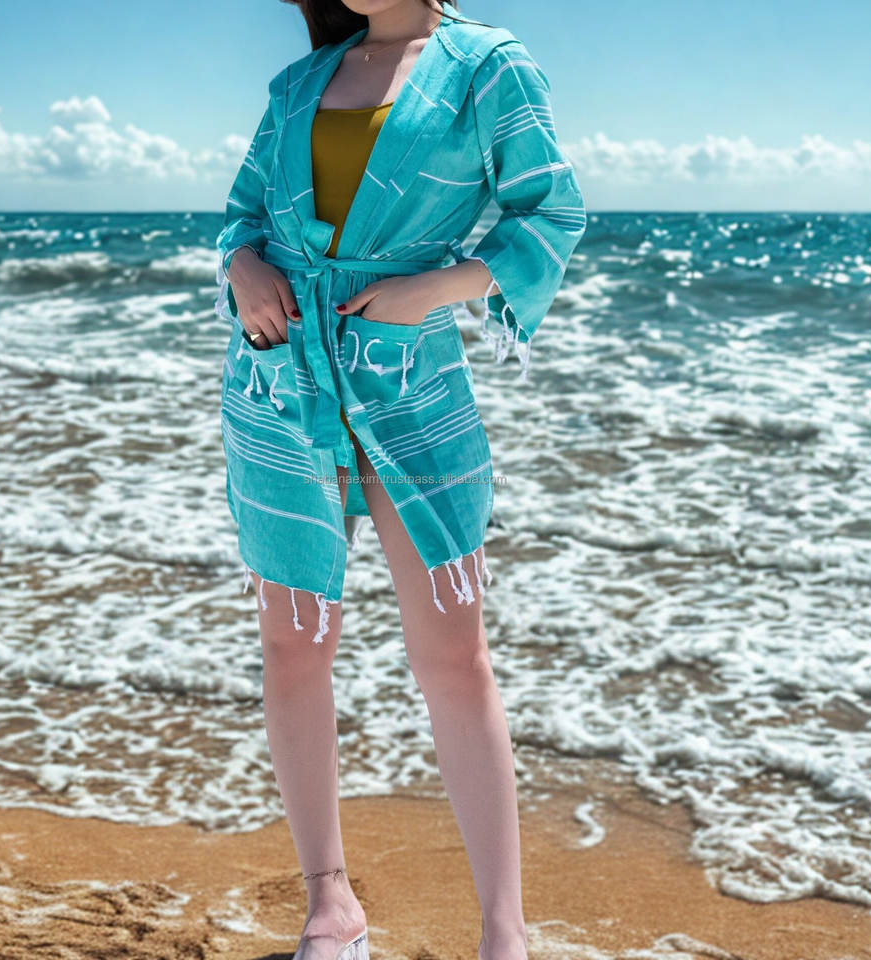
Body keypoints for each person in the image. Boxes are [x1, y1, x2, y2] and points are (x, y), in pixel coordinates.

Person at [214, 2, 586, 958]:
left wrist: (436, 286)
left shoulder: (486, 65)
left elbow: (553, 208)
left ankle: (504, 932)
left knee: (454, 657)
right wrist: (243, 266)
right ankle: (329, 907)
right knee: (293, 644)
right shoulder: (301, 81)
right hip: (280, 378)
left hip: (409, 379)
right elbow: (243, 216)